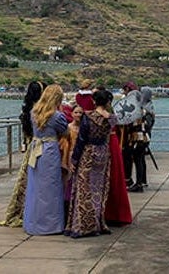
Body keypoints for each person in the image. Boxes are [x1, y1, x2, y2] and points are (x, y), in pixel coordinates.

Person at [64, 89, 115, 237]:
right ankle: (97, 223)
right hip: (103, 153)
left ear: (94, 101)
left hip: (88, 153)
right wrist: (107, 112)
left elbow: (81, 139)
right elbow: (114, 124)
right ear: (107, 102)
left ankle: (82, 224)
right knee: (100, 189)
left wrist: (74, 159)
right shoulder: (111, 118)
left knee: (83, 188)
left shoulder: (88, 116)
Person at [22, 84, 68, 235]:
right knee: (51, 187)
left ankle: (32, 222)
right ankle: (50, 224)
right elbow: (65, 132)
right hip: (49, 150)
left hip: (36, 148)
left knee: (35, 187)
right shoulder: (56, 116)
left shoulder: (34, 112)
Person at [0, 81, 44, 227]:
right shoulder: (41, 111)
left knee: (25, 181)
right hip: (40, 147)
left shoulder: (28, 110)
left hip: (31, 145)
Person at [104, 84, 133, 226]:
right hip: (114, 143)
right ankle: (117, 213)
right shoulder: (115, 115)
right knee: (116, 177)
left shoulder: (106, 116)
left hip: (108, 143)